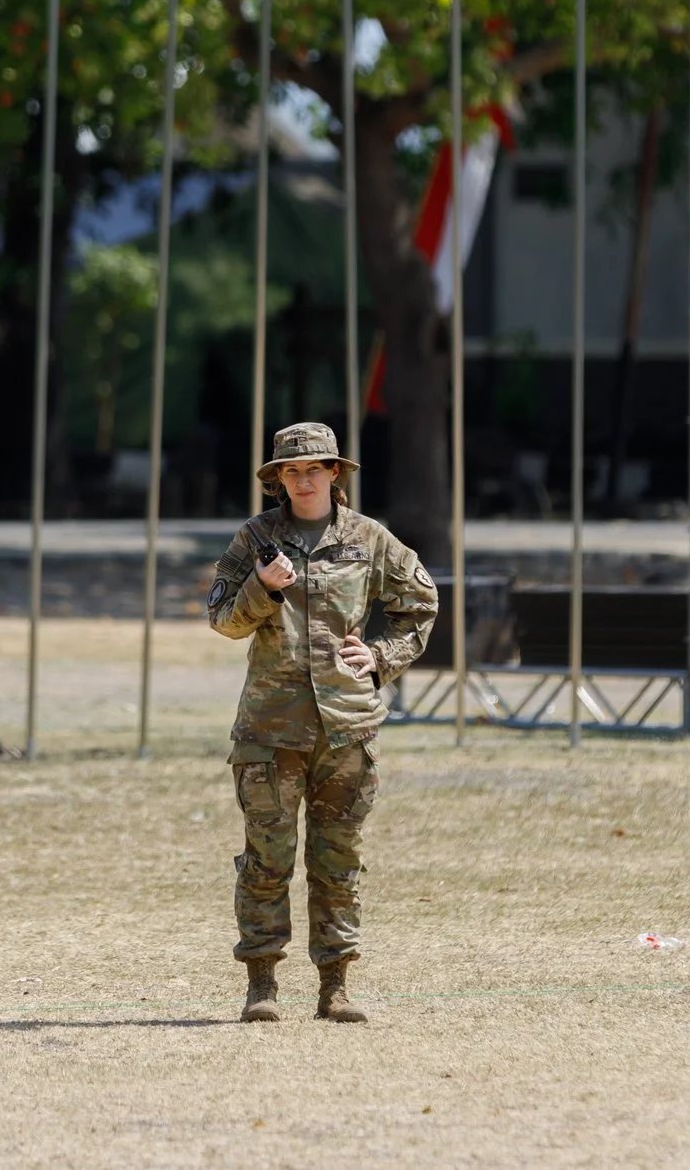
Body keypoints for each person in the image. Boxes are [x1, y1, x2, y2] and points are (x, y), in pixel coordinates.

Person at [206, 422, 436, 1024]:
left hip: (346, 729)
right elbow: (224, 620)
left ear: (336, 473)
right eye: (292, 471)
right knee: (266, 859)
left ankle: (335, 986)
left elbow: (421, 601)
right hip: (270, 731)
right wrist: (261, 586)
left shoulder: (368, 539)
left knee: (338, 860)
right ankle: (262, 985)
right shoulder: (257, 538)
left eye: (315, 469)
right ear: (278, 479)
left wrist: (380, 656)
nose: (304, 480)